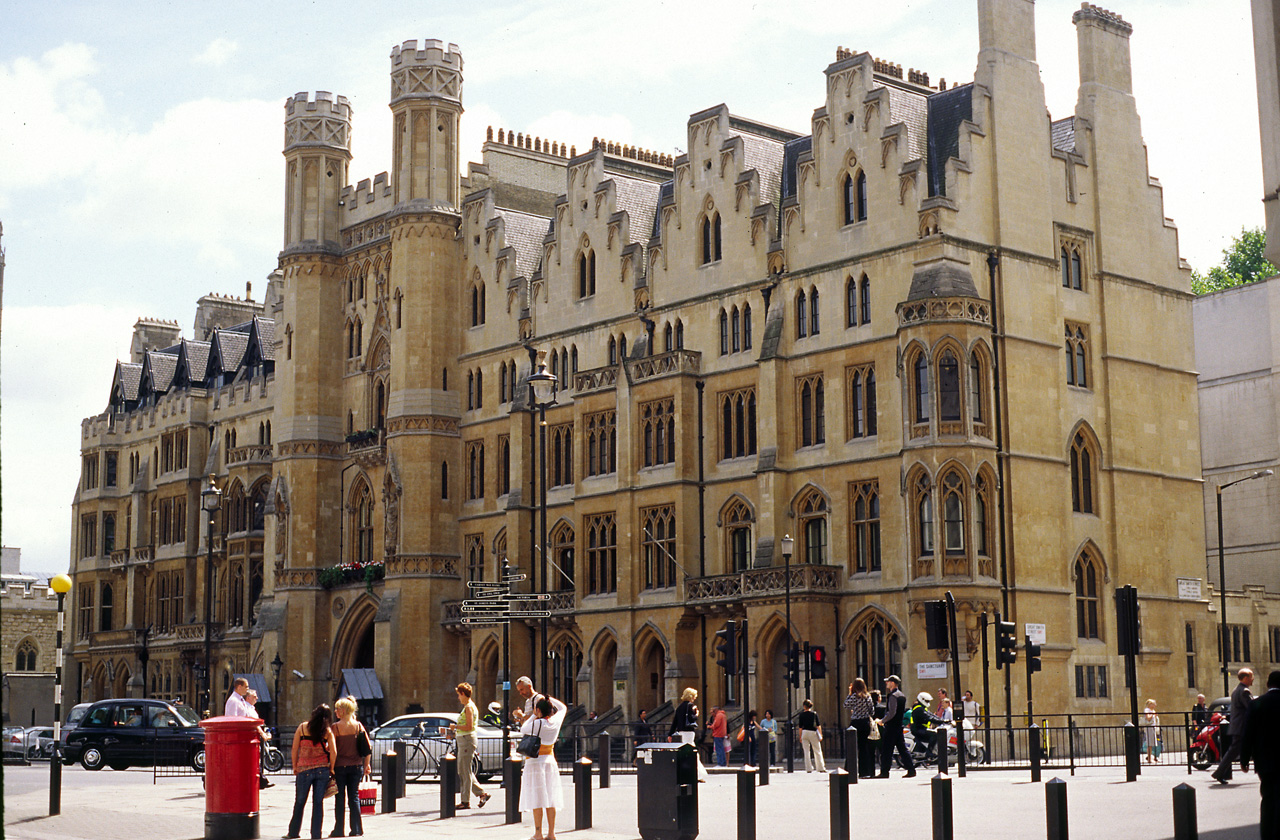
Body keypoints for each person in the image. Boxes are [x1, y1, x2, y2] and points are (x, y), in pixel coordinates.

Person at [519, 694, 568, 840]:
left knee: (537, 798)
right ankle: (552, 833)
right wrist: (548, 698)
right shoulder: (555, 722)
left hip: (535, 762)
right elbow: (563, 708)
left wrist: (534, 716)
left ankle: (538, 832)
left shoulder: (536, 723)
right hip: (549, 761)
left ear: (539, 711)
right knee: (550, 798)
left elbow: (523, 729)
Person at [286, 704, 336, 840]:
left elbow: (294, 748)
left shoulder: (302, 728)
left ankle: (293, 832)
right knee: (318, 802)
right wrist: (331, 767)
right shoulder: (327, 732)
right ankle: (316, 834)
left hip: (304, 769)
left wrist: (295, 765)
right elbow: (334, 752)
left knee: (300, 801)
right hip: (322, 770)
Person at [1241, 669, 1280, 838]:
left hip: (1265, 761)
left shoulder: (1257, 703)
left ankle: (1267, 834)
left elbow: (1247, 732)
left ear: (1267, 684)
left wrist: (1244, 758)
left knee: (1268, 799)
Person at [330, 696, 371, 837]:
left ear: (343, 711)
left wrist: (331, 767)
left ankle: (338, 830)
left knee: (339, 798)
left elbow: (332, 749)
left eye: (337, 709)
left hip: (340, 767)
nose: (335, 711)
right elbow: (367, 748)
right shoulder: (358, 726)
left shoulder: (335, 727)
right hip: (356, 766)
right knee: (354, 797)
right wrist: (367, 765)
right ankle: (357, 829)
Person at [449, 682, 490, 810]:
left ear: (463, 694)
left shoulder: (468, 707)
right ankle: (482, 794)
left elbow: (470, 726)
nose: (458, 698)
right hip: (464, 740)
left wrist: (455, 726)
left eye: (458, 695)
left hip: (467, 741)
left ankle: (465, 801)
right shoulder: (468, 706)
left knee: (464, 771)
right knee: (464, 770)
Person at [1216, 668, 1256, 783]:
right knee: (1233, 751)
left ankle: (1220, 772)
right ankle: (1219, 773)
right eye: (1251, 677)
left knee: (1234, 751)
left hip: (1238, 726)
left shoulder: (1236, 690)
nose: (1252, 679)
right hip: (1242, 727)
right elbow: (1251, 708)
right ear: (1246, 678)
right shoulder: (1244, 691)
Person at [877, 675, 915, 778]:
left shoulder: (893, 696)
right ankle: (911, 770)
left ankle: (885, 772)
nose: (886, 683)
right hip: (899, 726)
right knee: (902, 749)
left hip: (891, 727)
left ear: (893, 683)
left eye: (888, 682)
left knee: (886, 750)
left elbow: (891, 712)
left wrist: (882, 721)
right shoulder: (901, 695)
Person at [669, 687, 708, 781]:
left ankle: (687, 773)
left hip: (681, 732)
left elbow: (675, 721)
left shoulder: (679, 707)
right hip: (689, 732)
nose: (695, 698)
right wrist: (696, 714)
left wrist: (670, 734)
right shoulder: (690, 706)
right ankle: (698, 775)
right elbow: (691, 719)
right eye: (694, 696)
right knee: (693, 753)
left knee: (685, 752)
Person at [844, 678, 875, 778]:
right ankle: (864, 772)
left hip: (855, 723)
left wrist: (849, 693)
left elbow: (845, 705)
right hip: (865, 723)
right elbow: (872, 711)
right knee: (863, 748)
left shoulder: (854, 697)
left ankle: (848, 770)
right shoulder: (868, 697)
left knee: (852, 748)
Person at [909, 691, 945, 761]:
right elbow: (929, 717)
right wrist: (941, 721)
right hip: (918, 729)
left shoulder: (922, 708)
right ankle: (929, 752)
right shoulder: (919, 709)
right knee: (934, 735)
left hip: (921, 728)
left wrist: (942, 720)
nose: (928, 702)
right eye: (927, 701)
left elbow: (931, 715)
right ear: (922, 699)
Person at [797, 699, 826, 773]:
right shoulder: (814, 714)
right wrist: (820, 734)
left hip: (804, 732)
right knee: (817, 750)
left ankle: (808, 768)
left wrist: (800, 736)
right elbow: (818, 725)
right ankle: (820, 767)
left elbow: (800, 727)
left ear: (804, 706)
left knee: (806, 751)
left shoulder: (801, 715)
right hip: (812, 732)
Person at [1143, 698, 1161, 763]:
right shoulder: (1147, 710)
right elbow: (1148, 718)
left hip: (1153, 728)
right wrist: (1153, 715)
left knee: (1153, 743)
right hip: (1149, 728)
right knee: (1150, 744)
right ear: (1150, 704)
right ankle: (1149, 759)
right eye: (1153, 704)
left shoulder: (1152, 710)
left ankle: (1153, 757)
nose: (1155, 705)